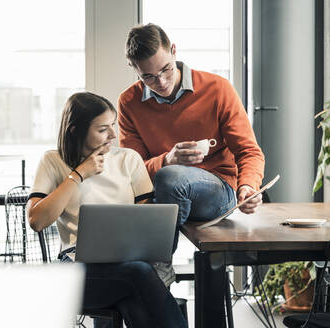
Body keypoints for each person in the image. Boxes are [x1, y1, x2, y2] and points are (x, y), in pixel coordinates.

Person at [27, 92, 187, 328]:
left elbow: (146, 218)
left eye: (113, 125)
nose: (113, 134)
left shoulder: (128, 160)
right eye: (103, 129)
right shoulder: (52, 161)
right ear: (75, 130)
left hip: (126, 266)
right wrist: (79, 174)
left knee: (134, 292)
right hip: (75, 269)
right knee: (138, 277)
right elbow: (37, 220)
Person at [118, 23, 265, 276]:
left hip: (219, 192)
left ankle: (159, 269)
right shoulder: (128, 102)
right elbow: (132, 170)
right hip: (162, 195)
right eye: (148, 77)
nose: (161, 81)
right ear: (134, 69)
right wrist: (167, 159)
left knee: (171, 177)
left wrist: (248, 187)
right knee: (138, 190)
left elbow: (249, 151)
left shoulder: (217, 88)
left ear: (173, 50)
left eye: (165, 69)